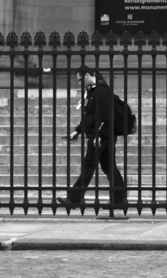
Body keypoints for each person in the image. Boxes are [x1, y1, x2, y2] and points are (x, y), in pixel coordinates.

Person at [55, 66, 128, 212]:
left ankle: (74, 198)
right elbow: (91, 115)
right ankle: (119, 199)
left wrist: (98, 135)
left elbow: (105, 116)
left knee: (89, 166)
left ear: (88, 75)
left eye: (81, 79)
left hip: (102, 136)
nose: (80, 83)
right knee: (109, 167)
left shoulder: (101, 91)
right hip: (103, 135)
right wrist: (78, 131)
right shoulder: (94, 91)